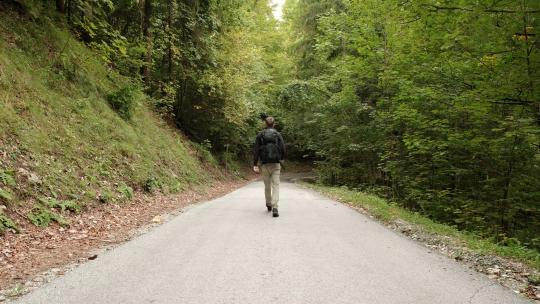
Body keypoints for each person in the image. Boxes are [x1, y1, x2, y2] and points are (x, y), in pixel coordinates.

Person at [253, 116, 285, 218]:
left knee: (267, 186)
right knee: (276, 185)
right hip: (276, 164)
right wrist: (282, 159)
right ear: (274, 124)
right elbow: (283, 148)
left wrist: (255, 164)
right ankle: (275, 206)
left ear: (265, 124)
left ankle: (268, 203)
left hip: (264, 164)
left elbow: (256, 150)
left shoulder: (260, 135)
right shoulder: (278, 134)